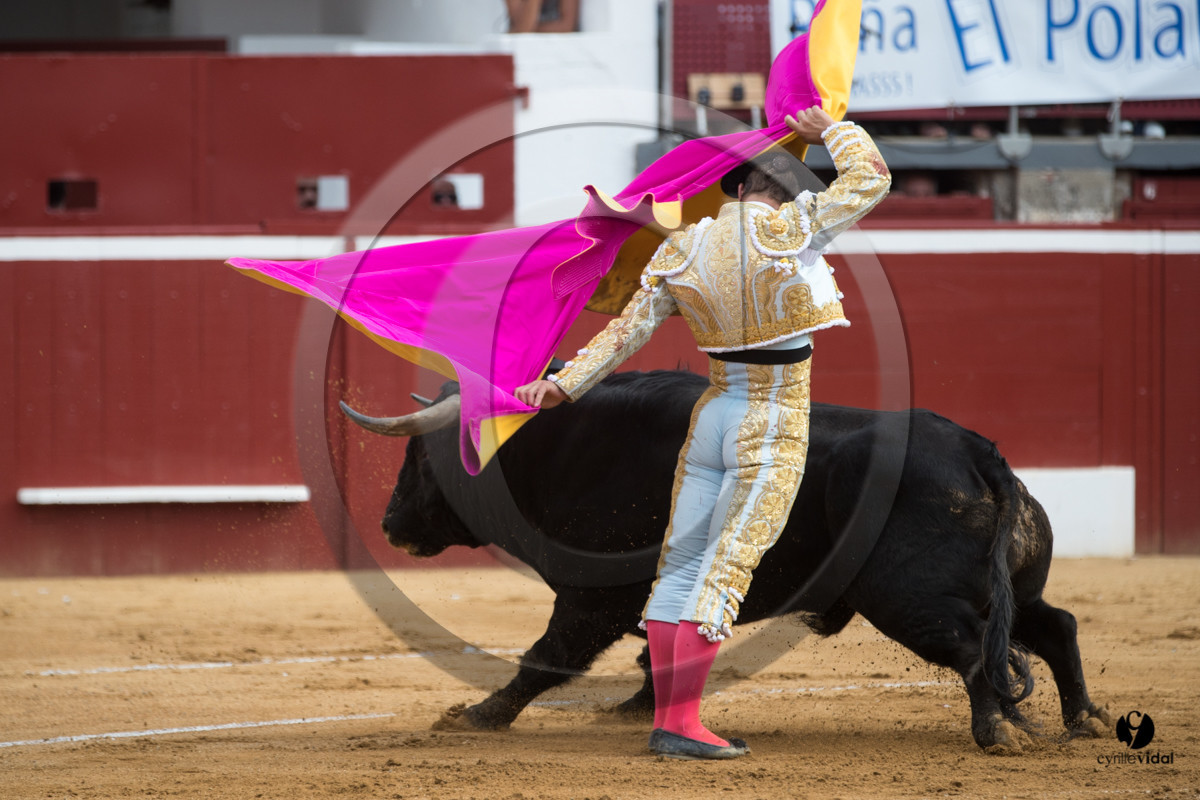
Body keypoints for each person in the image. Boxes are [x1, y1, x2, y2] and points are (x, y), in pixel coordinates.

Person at [514, 105, 891, 760]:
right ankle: (681, 724)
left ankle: (671, 717)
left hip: (713, 415)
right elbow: (873, 176)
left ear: (735, 189)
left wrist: (563, 384)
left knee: (680, 568)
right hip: (771, 419)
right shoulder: (794, 227)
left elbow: (625, 333)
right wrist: (828, 129)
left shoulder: (681, 247)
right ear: (782, 190)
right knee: (728, 566)